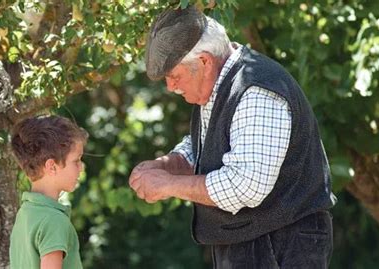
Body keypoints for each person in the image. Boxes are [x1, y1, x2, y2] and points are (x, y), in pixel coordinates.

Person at [129, 6, 337, 268]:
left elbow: (244, 186)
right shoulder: (218, 84)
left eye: (174, 76)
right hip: (253, 242)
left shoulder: (256, 89)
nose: (171, 87)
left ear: (204, 61)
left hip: (282, 244)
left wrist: (167, 184)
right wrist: (169, 163)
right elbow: (207, 146)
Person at [9, 115, 88, 269]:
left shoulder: (25, 213)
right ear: (51, 166)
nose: (81, 168)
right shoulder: (54, 220)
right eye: (76, 161)